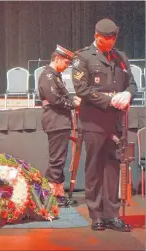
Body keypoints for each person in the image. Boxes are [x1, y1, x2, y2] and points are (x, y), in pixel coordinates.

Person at [72, 18, 137, 232]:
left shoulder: (120, 57)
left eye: (113, 38)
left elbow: (132, 84)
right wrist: (110, 100)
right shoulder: (83, 57)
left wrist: (128, 94)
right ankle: (96, 214)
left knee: (112, 168)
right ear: (96, 36)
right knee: (94, 168)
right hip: (93, 122)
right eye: (107, 38)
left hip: (115, 122)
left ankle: (112, 214)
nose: (111, 42)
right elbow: (82, 89)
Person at [38, 45, 81, 207]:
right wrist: (73, 103)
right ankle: (53, 196)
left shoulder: (55, 75)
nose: (67, 66)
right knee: (57, 159)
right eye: (66, 62)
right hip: (55, 120)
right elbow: (55, 99)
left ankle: (58, 192)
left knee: (60, 158)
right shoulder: (48, 76)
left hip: (60, 121)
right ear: (57, 59)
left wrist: (72, 100)